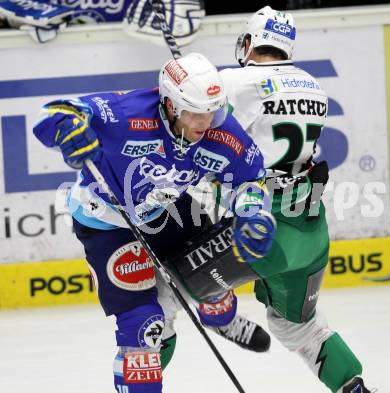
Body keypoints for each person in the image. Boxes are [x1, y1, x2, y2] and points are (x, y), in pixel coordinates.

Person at [33, 52, 276, 393]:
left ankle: (220, 318)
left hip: (169, 209)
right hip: (106, 221)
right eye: (194, 111)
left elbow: (250, 180)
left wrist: (253, 212)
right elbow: (55, 113)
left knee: (215, 275)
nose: (204, 122)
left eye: (211, 110)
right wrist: (65, 128)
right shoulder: (126, 114)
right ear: (171, 105)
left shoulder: (221, 130)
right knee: (143, 326)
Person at [217, 6, 372, 393]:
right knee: (296, 325)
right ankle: (354, 388)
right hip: (310, 231)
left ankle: (217, 313)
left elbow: (197, 136)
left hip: (260, 230)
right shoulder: (311, 85)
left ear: (250, 42)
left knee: (158, 295)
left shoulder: (232, 82)